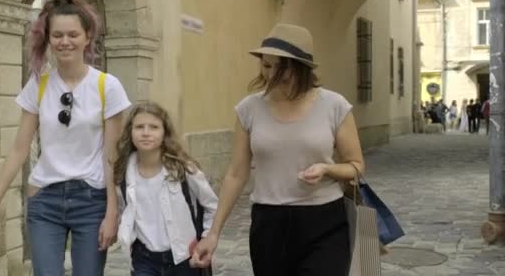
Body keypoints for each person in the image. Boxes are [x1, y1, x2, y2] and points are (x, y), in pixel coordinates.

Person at [191, 24, 365, 275]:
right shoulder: (248, 109)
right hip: (269, 224)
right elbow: (236, 174)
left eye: (282, 68)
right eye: (267, 65)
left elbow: (356, 167)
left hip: (325, 222)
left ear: (301, 69)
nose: (272, 75)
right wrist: (213, 233)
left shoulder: (334, 105)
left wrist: (327, 169)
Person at [0, 0, 131, 276]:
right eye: (57, 35)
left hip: (92, 200)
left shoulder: (107, 87)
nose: (65, 42)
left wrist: (112, 212)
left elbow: (113, 156)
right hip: (45, 200)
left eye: (73, 34)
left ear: (88, 37)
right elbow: (18, 150)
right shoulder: (38, 85)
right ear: (48, 39)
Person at [114, 102, 218, 275]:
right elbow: (122, 211)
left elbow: (212, 206)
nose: (146, 133)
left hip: (184, 259)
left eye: (154, 127)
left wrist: (206, 238)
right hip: (144, 260)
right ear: (130, 132)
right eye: (139, 127)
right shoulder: (124, 173)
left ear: (164, 133)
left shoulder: (183, 169)